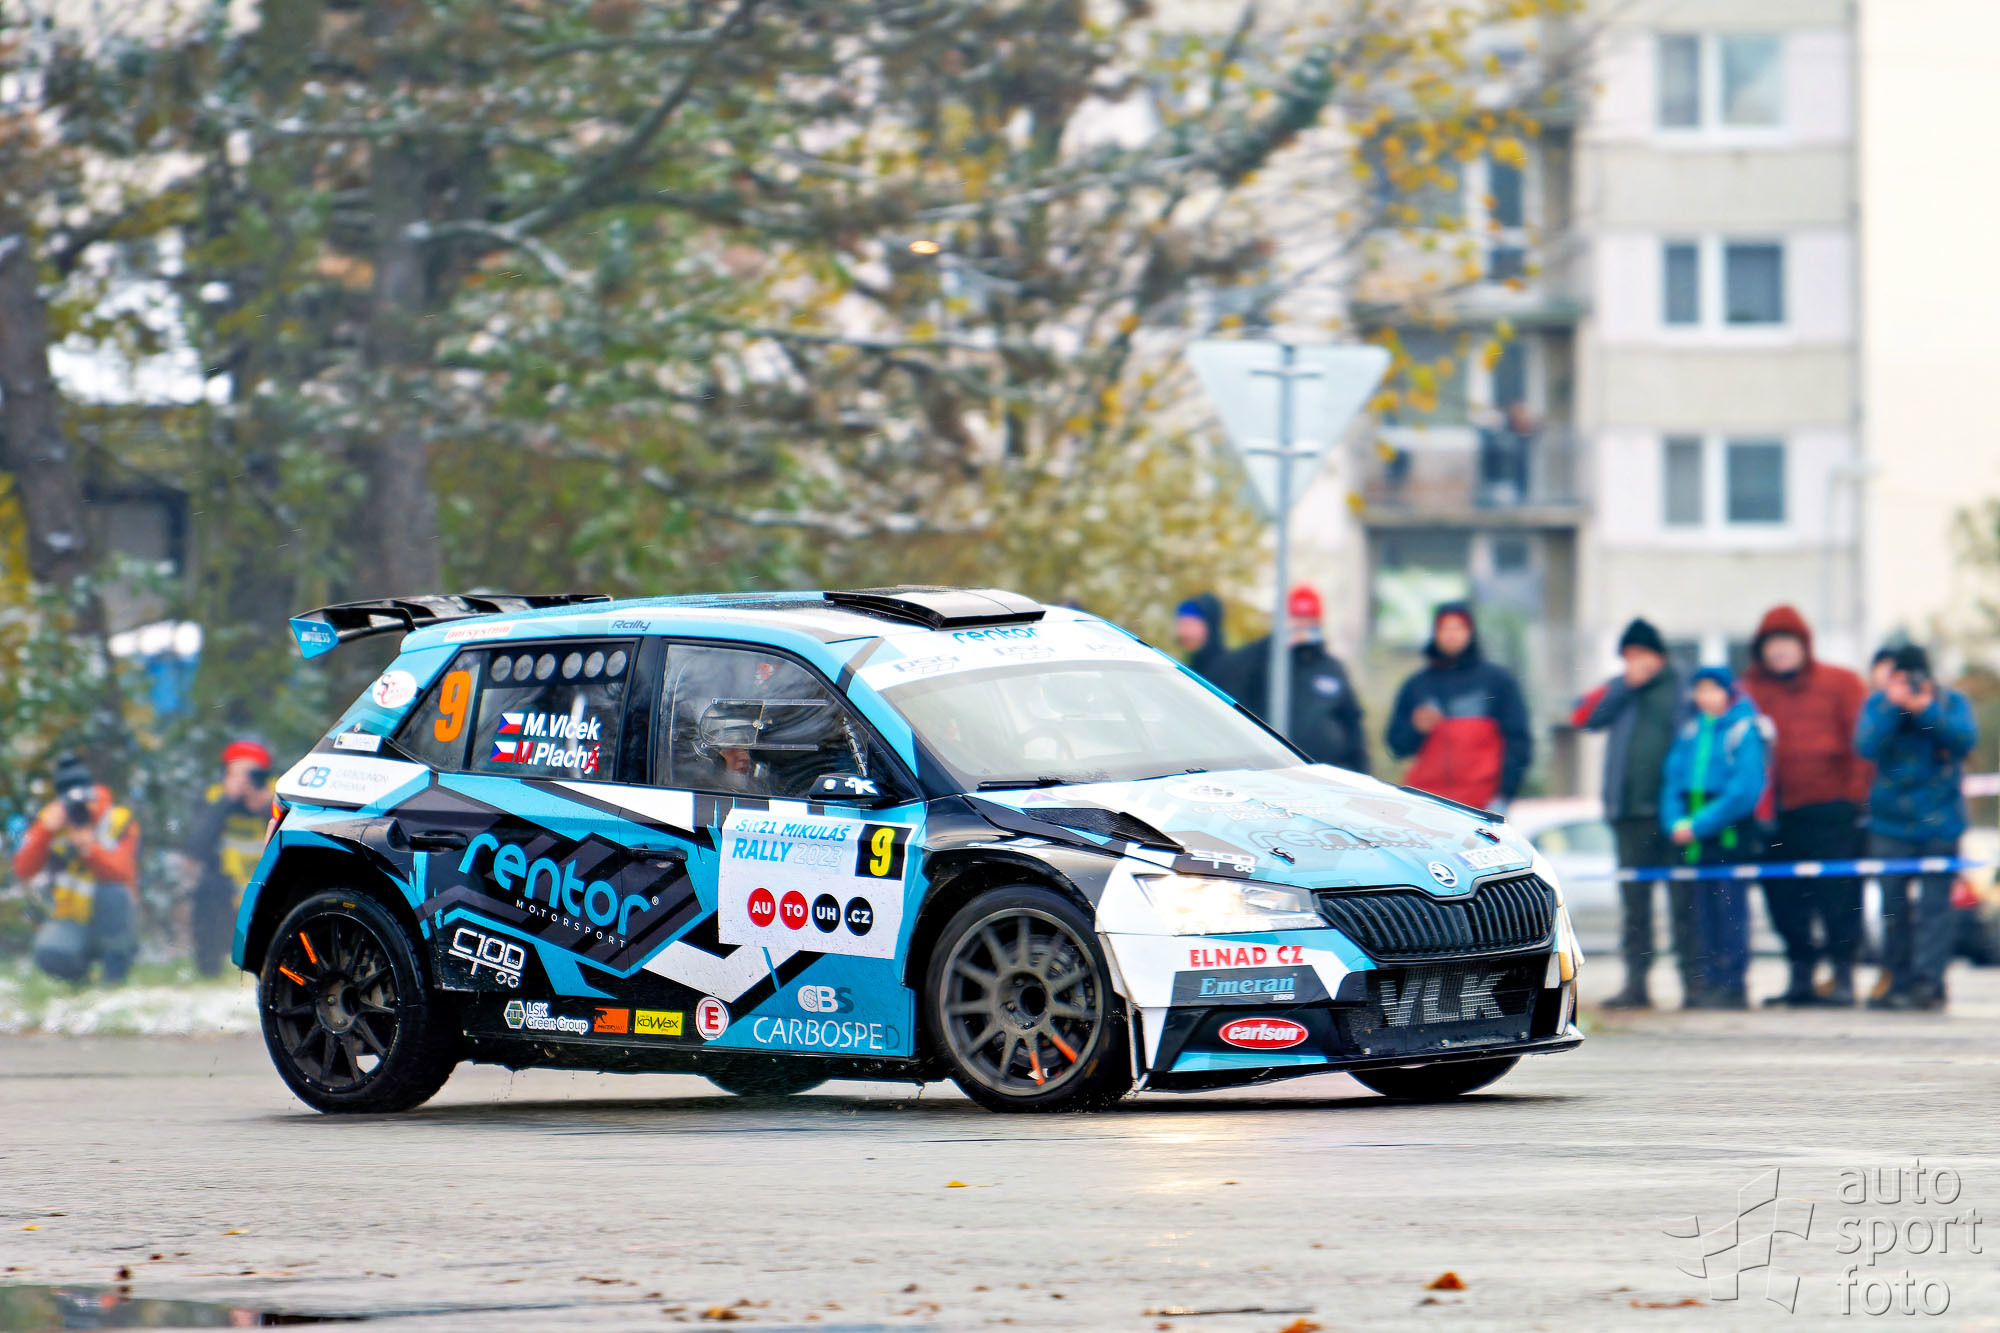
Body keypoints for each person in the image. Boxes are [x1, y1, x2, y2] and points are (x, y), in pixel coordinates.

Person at [1740, 606, 1872, 1006]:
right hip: (1776, 816)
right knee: (1783, 899)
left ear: (1804, 645)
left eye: (1787, 642)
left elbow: (1861, 744)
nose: (1779, 651)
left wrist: (1853, 798)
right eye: (1771, 644)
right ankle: (1801, 976)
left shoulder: (1841, 683)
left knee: (1838, 897)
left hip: (1831, 811)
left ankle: (1843, 975)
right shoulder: (1748, 690)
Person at [1572, 618, 1689, 1009]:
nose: (1635, 662)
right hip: (1628, 815)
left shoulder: (1682, 686)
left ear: (1659, 655)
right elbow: (1584, 717)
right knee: (1635, 907)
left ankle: (1693, 985)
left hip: (1674, 815)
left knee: (1684, 904)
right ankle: (1636, 984)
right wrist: (1624, 685)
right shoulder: (1620, 688)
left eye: (1642, 654)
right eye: (1628, 655)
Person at [1855, 644, 1978, 1011]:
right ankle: (1897, 979)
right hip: (1890, 824)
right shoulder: (1878, 705)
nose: (1906, 683)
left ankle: (1929, 982)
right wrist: (1894, 707)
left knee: (1934, 908)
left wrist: (1926, 709)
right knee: (1891, 907)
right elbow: (1865, 745)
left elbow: (1963, 740)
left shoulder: (1949, 702)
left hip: (1940, 822)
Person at [1660, 667, 1770, 1010]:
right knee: (1702, 915)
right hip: (1695, 842)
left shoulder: (1743, 730)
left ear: (1728, 692)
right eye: (1700, 690)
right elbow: (1672, 782)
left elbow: (1744, 790)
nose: (1706, 697)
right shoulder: (1691, 731)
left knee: (1730, 913)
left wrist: (1699, 824)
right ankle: (1709, 982)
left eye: (1713, 689)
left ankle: (1733, 984)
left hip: (1728, 838)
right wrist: (1675, 822)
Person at [1386, 602, 1532, 811]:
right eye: (1444, 628)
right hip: (1426, 802)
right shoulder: (1417, 685)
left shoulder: (1497, 681)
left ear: (1470, 632)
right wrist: (1415, 729)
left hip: (1481, 804)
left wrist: (1505, 793)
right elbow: (1396, 746)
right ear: (1435, 633)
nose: (1451, 635)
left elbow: (1518, 740)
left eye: (1458, 627)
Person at [11, 753, 141, 984]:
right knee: (49, 953)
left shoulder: (117, 819)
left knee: (114, 894)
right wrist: (45, 831)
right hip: (72, 917)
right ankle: (82, 980)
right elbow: (23, 869)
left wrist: (89, 849)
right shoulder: (52, 820)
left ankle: (114, 977)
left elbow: (123, 873)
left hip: (114, 919)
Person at [1224, 585, 1369, 772]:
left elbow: (1352, 722)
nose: (1302, 626)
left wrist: (1360, 769)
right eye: (1297, 619)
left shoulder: (1331, 668)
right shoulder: (1266, 662)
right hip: (1275, 769)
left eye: (1309, 620)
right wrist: (1273, 643)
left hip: (1326, 771)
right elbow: (1232, 673)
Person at [185, 740, 275, 977]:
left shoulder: (277, 795)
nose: (246, 782)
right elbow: (197, 846)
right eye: (237, 774)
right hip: (226, 885)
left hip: (268, 883)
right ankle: (209, 968)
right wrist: (226, 800)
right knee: (208, 888)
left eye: (252, 774)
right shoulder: (214, 797)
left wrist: (266, 808)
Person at [1173, 594, 1230, 688]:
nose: (1182, 632)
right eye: (1180, 624)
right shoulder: (1190, 668)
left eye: (1189, 624)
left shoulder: (1228, 671)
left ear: (1210, 626)